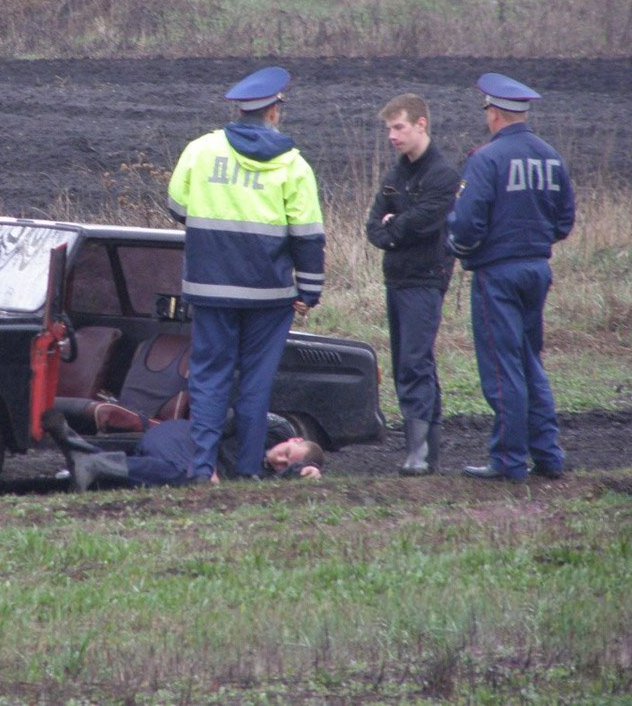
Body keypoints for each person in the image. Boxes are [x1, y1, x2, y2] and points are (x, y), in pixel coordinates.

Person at [167, 66, 326, 482]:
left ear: (240, 110)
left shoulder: (200, 150)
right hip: (269, 295)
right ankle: (248, 472)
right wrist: (308, 291)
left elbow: (178, 208)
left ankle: (203, 469)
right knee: (256, 383)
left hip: (210, 288)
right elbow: (308, 235)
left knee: (208, 379)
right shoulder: (294, 165)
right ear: (274, 112)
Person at [447, 73, 576, 483]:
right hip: (537, 270)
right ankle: (548, 455)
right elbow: (564, 222)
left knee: (503, 369)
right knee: (529, 362)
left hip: (497, 275)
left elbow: (466, 225)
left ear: (494, 113)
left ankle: (508, 460)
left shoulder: (486, 158)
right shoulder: (551, 156)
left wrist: (460, 246)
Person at [365, 93, 459, 476]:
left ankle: (419, 453)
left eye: (399, 127)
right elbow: (373, 227)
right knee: (411, 360)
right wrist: (391, 228)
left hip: (425, 280)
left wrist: (394, 225)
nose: (392, 135)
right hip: (397, 279)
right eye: (389, 128)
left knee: (413, 362)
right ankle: (426, 452)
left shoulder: (443, 175)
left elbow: (422, 222)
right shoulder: (395, 175)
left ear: (421, 124)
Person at [42, 409, 324, 491]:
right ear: (295, 439)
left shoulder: (268, 476)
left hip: (168, 454)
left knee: (153, 478)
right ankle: (92, 462)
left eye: (286, 465)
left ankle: (82, 458)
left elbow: (281, 483)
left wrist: (304, 472)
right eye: (286, 452)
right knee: (192, 478)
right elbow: (223, 420)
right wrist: (206, 463)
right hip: (184, 438)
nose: (280, 460)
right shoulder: (271, 432)